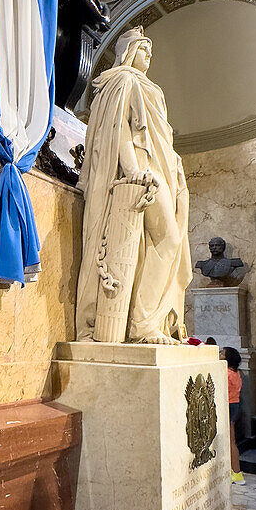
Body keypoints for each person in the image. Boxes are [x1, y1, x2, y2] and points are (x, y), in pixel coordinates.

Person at [76, 26, 192, 344]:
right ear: (128, 51)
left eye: (151, 51)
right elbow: (118, 129)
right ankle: (141, 324)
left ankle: (143, 321)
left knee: (168, 243)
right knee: (167, 239)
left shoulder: (149, 87)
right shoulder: (123, 80)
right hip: (144, 172)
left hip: (162, 172)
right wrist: (132, 170)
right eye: (144, 49)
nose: (149, 55)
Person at [222, 346, 244, 484]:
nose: (219, 354)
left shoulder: (226, 373)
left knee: (230, 441)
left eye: (221, 353)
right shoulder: (236, 373)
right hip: (235, 405)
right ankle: (234, 471)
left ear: (226, 358)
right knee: (231, 440)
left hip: (228, 405)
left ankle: (236, 473)